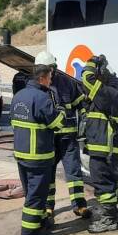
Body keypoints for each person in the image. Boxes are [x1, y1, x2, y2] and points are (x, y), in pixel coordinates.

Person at [10, 63, 65, 235]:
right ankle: (30, 234)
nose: (51, 81)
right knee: (36, 196)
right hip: (38, 156)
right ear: (41, 78)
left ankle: (41, 222)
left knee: (31, 192)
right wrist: (62, 113)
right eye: (49, 77)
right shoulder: (42, 98)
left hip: (21, 154)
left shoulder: (19, 96)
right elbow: (56, 123)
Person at [34, 51, 89, 224]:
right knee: (48, 173)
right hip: (49, 138)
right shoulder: (38, 86)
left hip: (67, 136)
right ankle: (48, 206)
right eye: (45, 70)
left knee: (74, 171)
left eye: (51, 69)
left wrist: (84, 122)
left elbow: (81, 103)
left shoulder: (67, 82)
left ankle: (79, 205)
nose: (49, 73)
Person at [80, 54, 118, 233]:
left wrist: (92, 63)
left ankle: (109, 219)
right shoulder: (114, 94)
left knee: (103, 183)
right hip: (110, 149)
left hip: (103, 149)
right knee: (110, 183)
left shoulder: (107, 93)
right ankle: (111, 215)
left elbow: (86, 77)